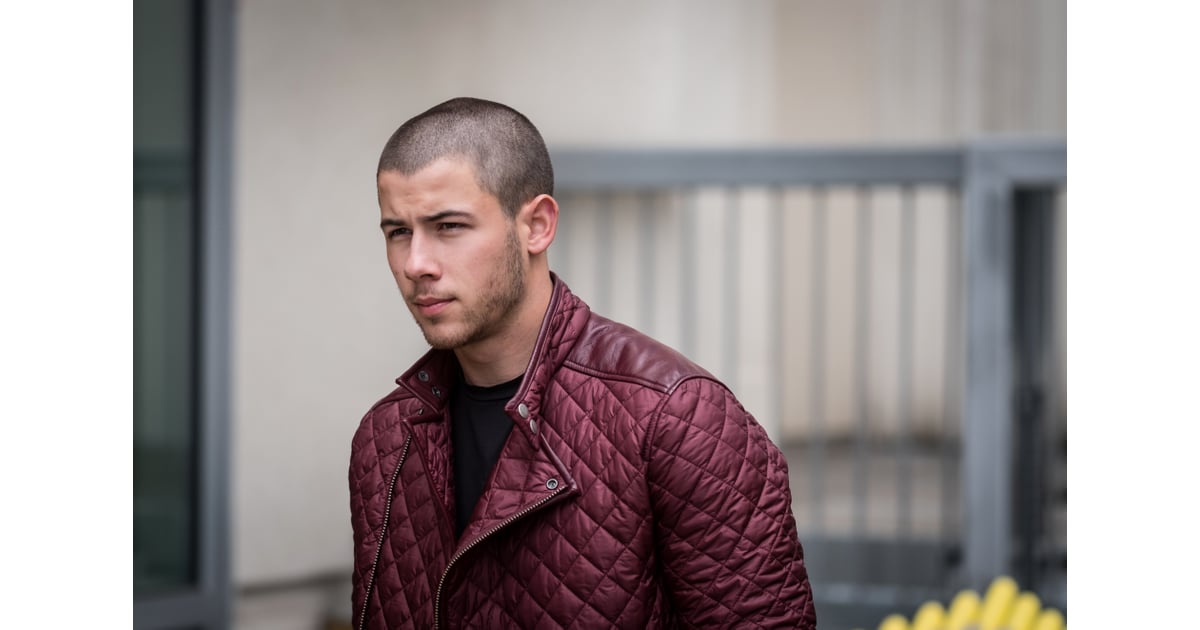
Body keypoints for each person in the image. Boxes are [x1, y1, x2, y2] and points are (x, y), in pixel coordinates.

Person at [348, 97, 817, 629]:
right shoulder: (386, 437)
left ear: (537, 225)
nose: (416, 264)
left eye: (449, 226)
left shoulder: (677, 417)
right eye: (398, 232)